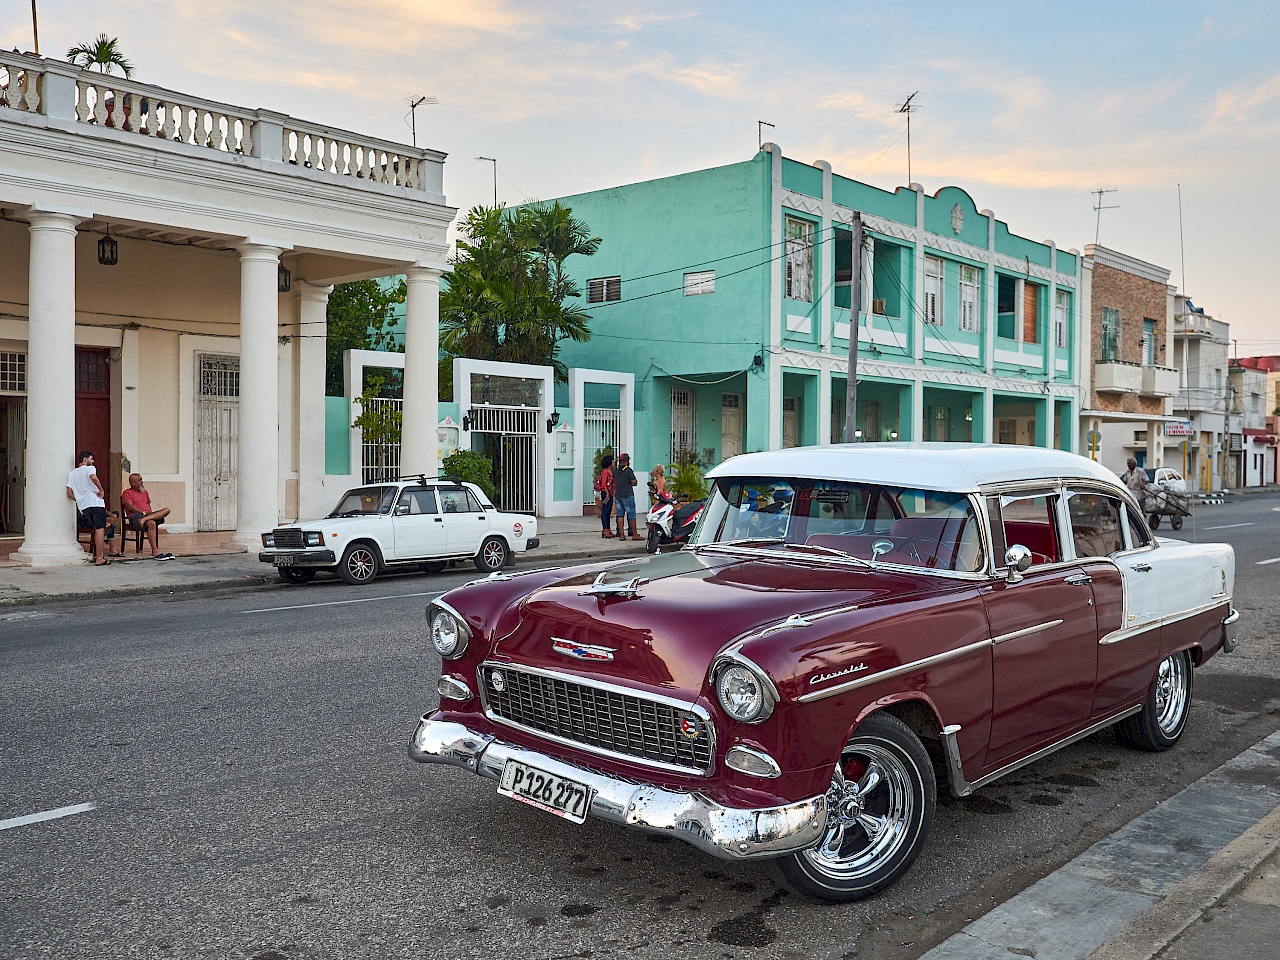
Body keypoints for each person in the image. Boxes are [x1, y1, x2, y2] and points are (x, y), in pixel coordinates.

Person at [67, 450, 109, 566]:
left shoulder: (72, 474)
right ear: (85, 459)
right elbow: (93, 478)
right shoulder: (90, 468)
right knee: (100, 529)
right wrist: (101, 490)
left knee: (96, 528)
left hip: (84, 507)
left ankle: (98, 555)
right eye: (91, 458)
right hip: (95, 503)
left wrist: (80, 499)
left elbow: (69, 493)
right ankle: (100, 557)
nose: (93, 461)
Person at [121, 473, 174, 559]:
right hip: (136, 517)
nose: (142, 482)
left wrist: (147, 515)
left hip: (146, 516)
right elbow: (129, 506)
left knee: (166, 510)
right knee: (151, 523)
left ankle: (146, 519)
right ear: (133, 483)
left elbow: (148, 506)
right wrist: (142, 513)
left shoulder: (145, 492)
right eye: (139, 480)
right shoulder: (127, 493)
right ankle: (155, 551)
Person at [613, 453, 640, 540]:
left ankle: (621, 535)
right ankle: (635, 534)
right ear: (627, 461)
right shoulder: (628, 470)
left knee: (620, 515)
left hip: (618, 495)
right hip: (627, 495)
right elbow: (633, 482)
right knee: (631, 515)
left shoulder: (615, 470)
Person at [595, 454, 616, 539]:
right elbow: (604, 484)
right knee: (605, 511)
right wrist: (607, 493)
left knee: (608, 511)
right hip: (606, 493)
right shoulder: (605, 472)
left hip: (610, 493)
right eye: (612, 461)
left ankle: (608, 528)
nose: (614, 463)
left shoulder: (610, 472)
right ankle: (605, 529)